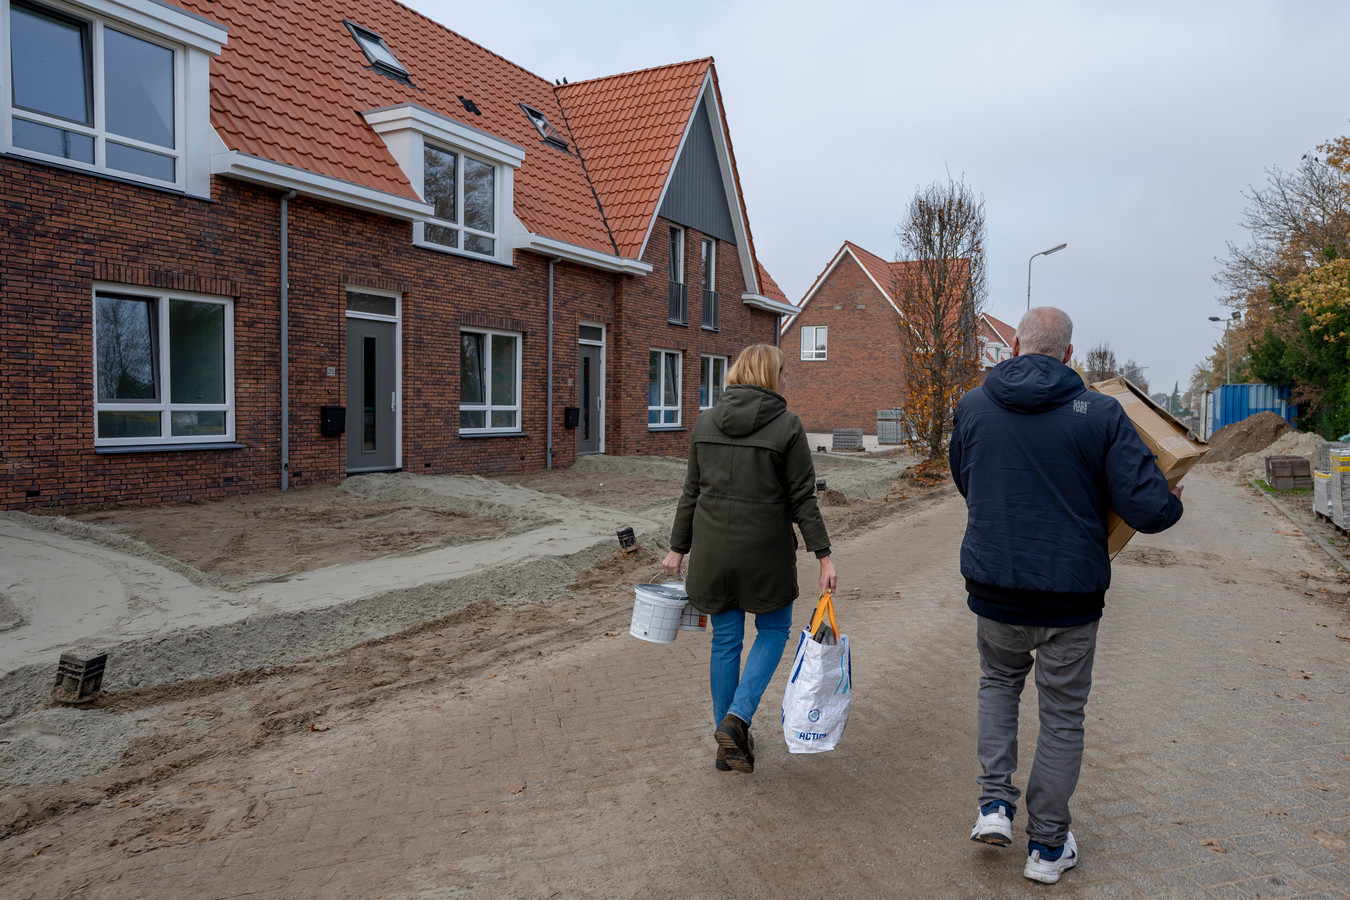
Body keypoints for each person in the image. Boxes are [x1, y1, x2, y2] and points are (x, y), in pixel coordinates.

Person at [948, 307, 1183, 884]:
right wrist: (1171, 496)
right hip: (1069, 599)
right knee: (1061, 717)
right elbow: (1148, 511)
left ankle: (994, 808)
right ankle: (1048, 848)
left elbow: (965, 477)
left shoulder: (975, 406)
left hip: (994, 588)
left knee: (998, 686)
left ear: (1013, 350)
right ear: (1069, 356)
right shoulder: (1101, 413)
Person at [663, 343, 836, 774]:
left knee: (725, 641)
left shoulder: (705, 421)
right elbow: (802, 499)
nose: (786, 381)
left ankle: (727, 747)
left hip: (711, 554)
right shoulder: (787, 426)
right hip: (764, 554)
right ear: (768, 376)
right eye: (783, 374)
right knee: (774, 629)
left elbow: (691, 492)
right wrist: (824, 555)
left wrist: (676, 548)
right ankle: (737, 719)